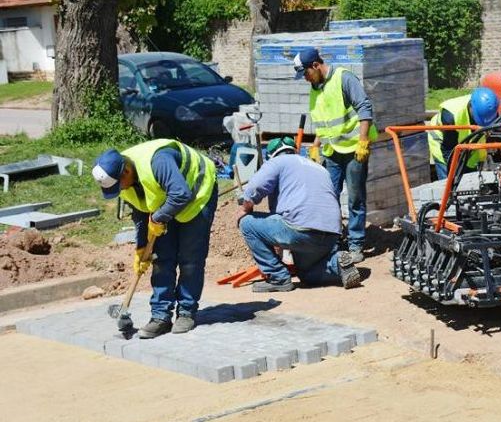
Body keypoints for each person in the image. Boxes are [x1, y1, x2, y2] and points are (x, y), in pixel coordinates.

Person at [92, 139, 218, 338]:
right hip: (167, 202)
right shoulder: (121, 176)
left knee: (190, 259)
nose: (121, 190)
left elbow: (180, 194)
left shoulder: (158, 161)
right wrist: (142, 248)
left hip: (197, 194)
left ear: (126, 171)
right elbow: (140, 213)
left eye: (119, 185)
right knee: (160, 258)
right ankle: (160, 316)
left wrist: (158, 217)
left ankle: (186, 312)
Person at [237, 136, 366, 292]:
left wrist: (245, 210)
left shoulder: (277, 162)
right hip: (331, 234)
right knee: (307, 275)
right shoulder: (319, 167)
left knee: (247, 224)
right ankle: (337, 265)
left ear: (271, 155)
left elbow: (253, 189)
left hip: (300, 230)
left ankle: (278, 277)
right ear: (294, 151)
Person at [294, 47, 377, 264]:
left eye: (305, 73)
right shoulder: (315, 88)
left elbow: (364, 108)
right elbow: (323, 122)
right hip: (331, 151)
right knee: (328, 197)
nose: (304, 78)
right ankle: (333, 239)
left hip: (353, 150)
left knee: (355, 198)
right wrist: (315, 145)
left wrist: (363, 141)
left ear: (315, 65)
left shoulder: (343, 78)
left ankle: (356, 244)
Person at [428, 87, 500, 180]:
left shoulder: (488, 110)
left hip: (469, 145)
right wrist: (454, 174)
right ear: (471, 107)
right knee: (449, 183)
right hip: (444, 142)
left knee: (472, 180)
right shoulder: (451, 115)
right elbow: (448, 149)